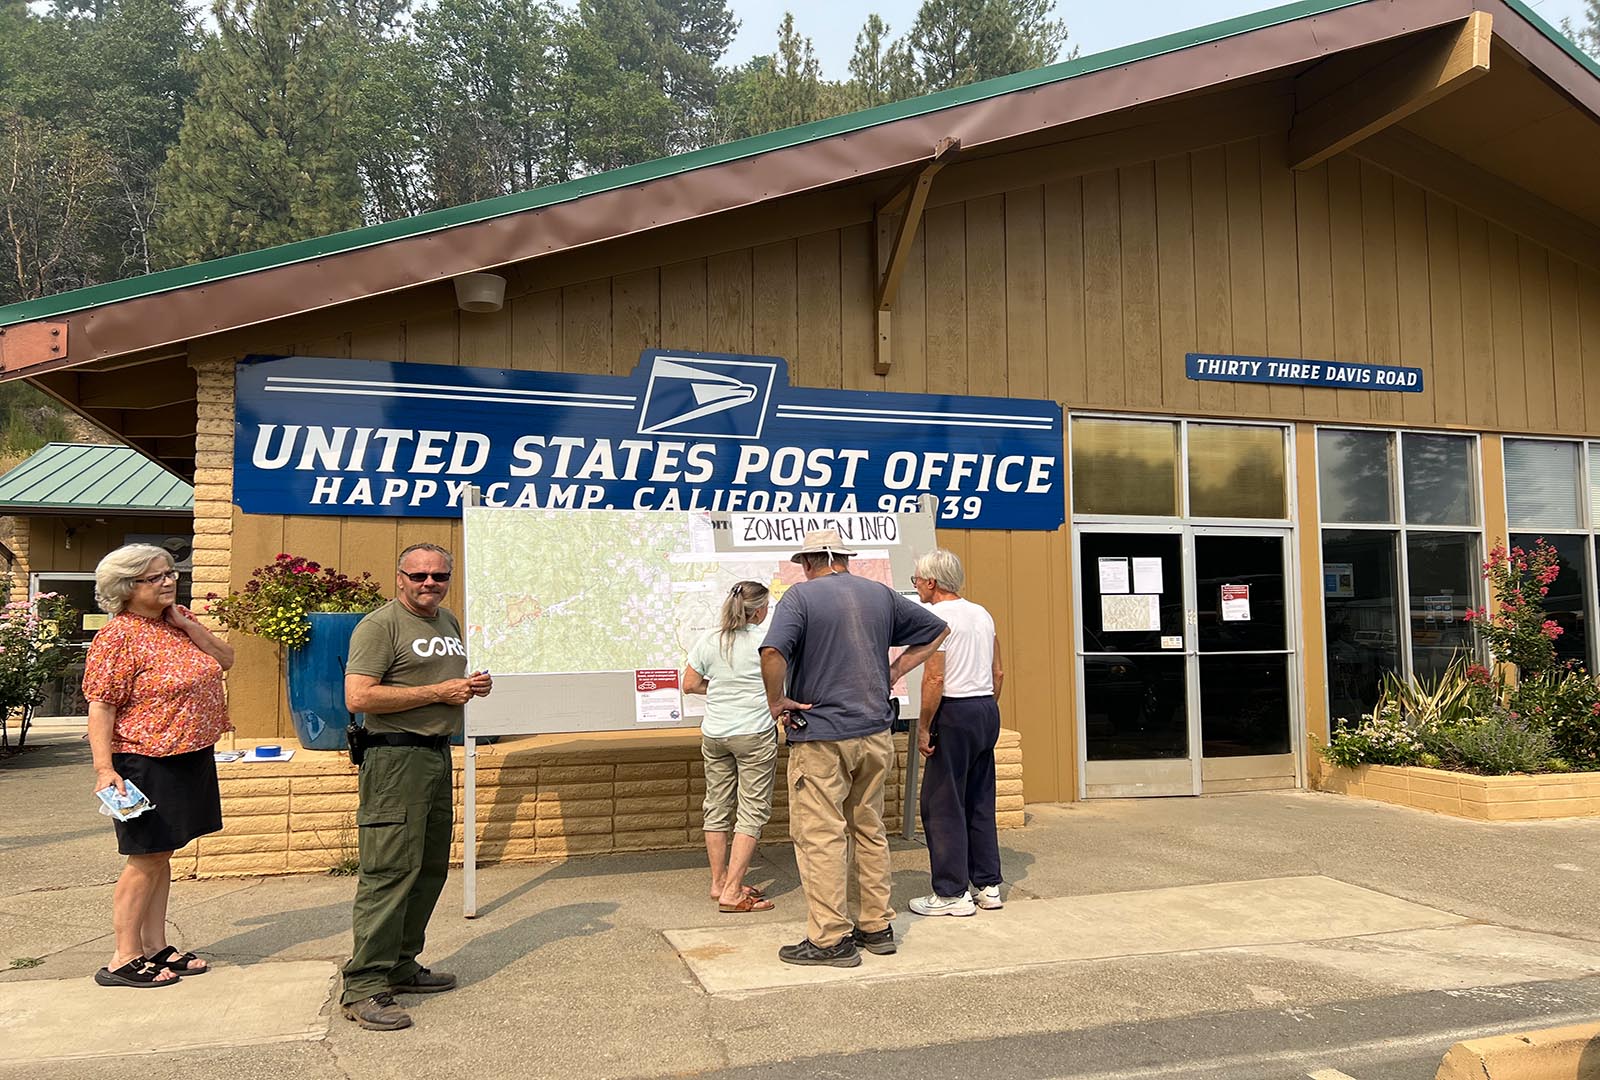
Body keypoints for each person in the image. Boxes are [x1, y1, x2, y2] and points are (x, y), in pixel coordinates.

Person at [760, 529, 948, 967]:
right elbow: (936, 628)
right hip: (875, 731)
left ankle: (829, 939)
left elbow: (772, 652)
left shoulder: (800, 599)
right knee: (868, 827)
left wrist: (776, 700)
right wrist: (895, 668)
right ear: (844, 559)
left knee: (820, 835)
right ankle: (876, 926)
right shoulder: (878, 594)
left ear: (810, 561)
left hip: (823, 734)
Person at [340, 543, 492, 1031]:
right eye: (419, 575)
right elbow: (359, 695)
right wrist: (439, 692)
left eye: (439, 576)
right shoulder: (379, 626)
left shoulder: (446, 621)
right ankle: (364, 985)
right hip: (393, 759)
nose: (430, 583)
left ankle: (402, 964)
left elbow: (444, 682)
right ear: (399, 576)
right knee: (388, 871)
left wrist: (469, 686)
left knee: (427, 868)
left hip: (433, 754)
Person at [84, 544, 235, 987]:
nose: (169, 581)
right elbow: (101, 706)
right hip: (143, 760)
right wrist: (103, 769)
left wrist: (190, 626)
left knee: (162, 853)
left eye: (170, 573)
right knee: (145, 855)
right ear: (127, 587)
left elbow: (226, 660)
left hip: (189, 755)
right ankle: (123, 956)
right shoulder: (118, 636)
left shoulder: (175, 625)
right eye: (156, 577)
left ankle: (154, 945)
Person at [909, 549, 1005, 917]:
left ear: (932, 582)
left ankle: (951, 892)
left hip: (954, 709)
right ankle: (987, 884)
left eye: (917, 578)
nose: (915, 583)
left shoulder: (934, 616)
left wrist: (924, 726)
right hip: (984, 707)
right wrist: (988, 707)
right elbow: (998, 672)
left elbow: (935, 676)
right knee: (979, 799)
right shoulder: (982, 612)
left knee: (942, 803)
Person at [684, 580, 778, 913]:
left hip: (715, 733)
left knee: (717, 806)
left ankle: (718, 881)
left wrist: (722, 685)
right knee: (751, 811)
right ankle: (734, 891)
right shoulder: (767, 641)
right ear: (761, 610)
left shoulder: (709, 639)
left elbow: (689, 684)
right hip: (754, 732)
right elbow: (779, 684)